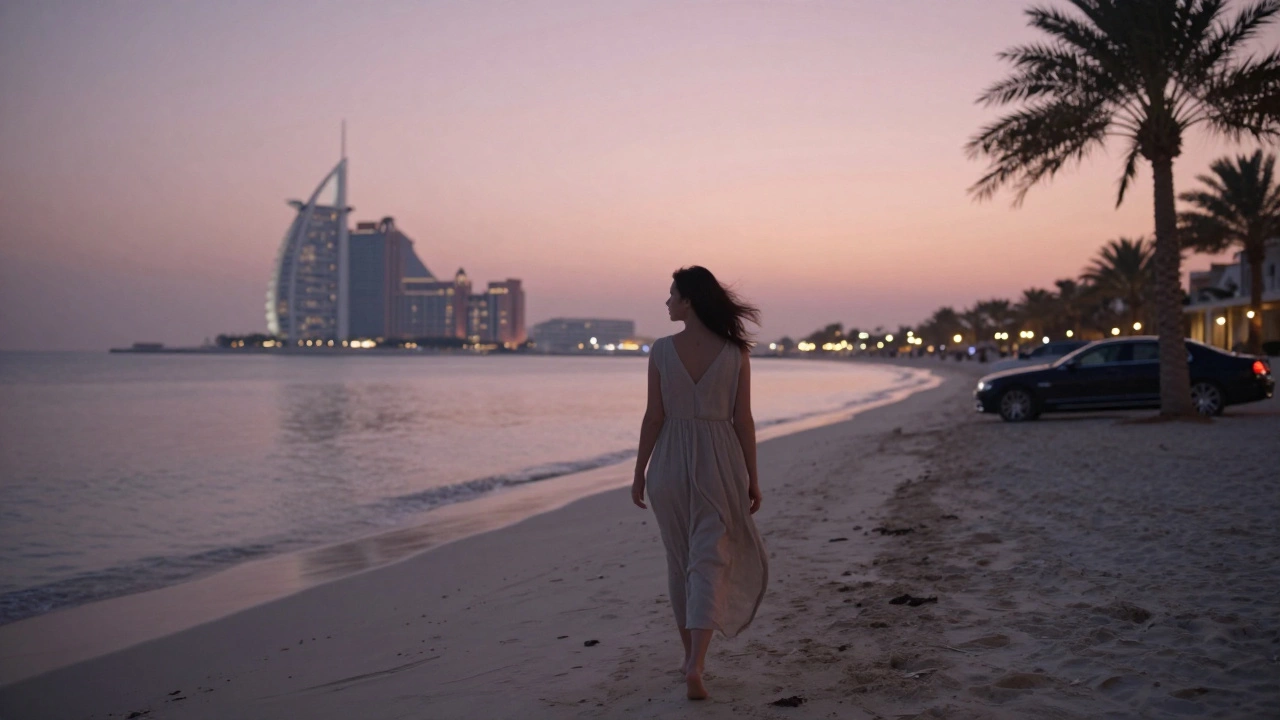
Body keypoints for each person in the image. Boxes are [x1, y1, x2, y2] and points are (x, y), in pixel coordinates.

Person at [631, 265, 769, 701]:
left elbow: (654, 416)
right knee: (709, 560)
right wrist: (752, 477)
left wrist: (639, 472)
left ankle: (688, 655)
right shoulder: (735, 353)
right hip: (719, 463)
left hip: (669, 461)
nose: (667, 302)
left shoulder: (661, 350)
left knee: (680, 561)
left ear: (688, 300)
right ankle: (697, 663)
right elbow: (742, 421)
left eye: (672, 294)